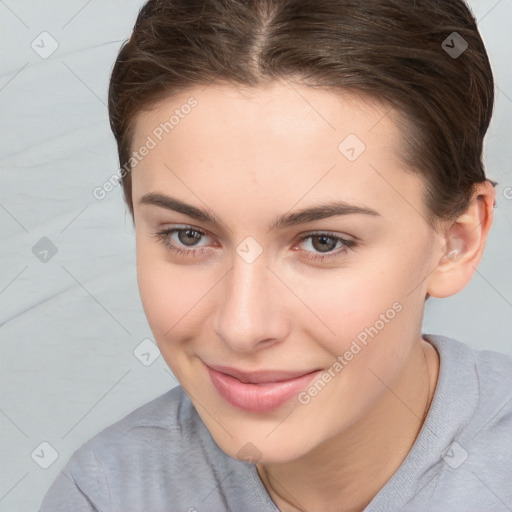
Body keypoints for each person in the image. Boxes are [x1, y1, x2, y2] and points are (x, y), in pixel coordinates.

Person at [40, 0, 512, 510]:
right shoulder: (107, 494)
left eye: (322, 242)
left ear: (456, 241)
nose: (242, 326)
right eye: (188, 236)